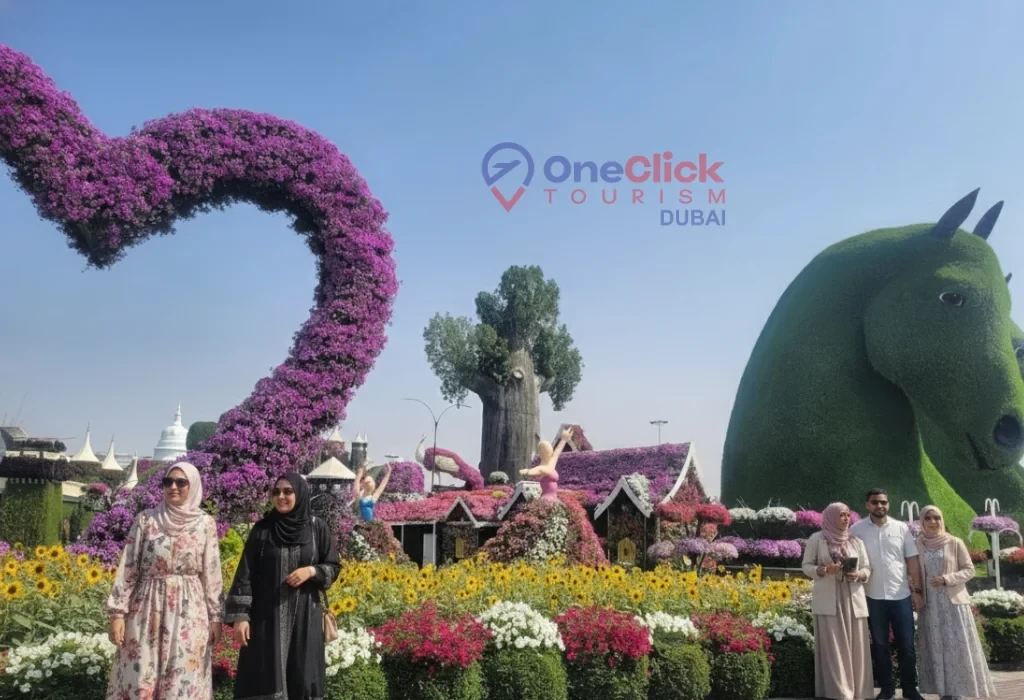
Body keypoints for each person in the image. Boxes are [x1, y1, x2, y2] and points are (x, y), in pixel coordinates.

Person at [105, 462, 224, 699]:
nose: (173, 487)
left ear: (193, 485)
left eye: (181, 482)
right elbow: (128, 567)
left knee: (182, 682)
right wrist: (118, 613)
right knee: (140, 677)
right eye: (168, 482)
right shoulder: (146, 520)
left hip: (189, 614)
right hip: (145, 610)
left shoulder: (204, 524)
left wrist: (216, 618)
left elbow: (212, 574)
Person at [225, 472, 342, 700]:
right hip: (266, 619)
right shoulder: (262, 530)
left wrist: (311, 571)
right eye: (276, 492)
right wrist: (241, 617)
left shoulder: (317, 529)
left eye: (288, 491)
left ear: (300, 494)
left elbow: (334, 565)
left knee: (303, 676)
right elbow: (245, 574)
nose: (281, 496)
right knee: (263, 679)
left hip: (305, 619)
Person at [849, 488, 926, 700]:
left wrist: (917, 591)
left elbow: (912, 561)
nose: (879, 506)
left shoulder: (901, 528)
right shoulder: (857, 529)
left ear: (888, 504)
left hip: (900, 595)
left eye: (883, 502)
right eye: (874, 502)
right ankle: (887, 689)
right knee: (880, 645)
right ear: (867, 505)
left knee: (907, 645)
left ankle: (910, 689)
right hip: (872, 597)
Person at [915, 505, 996, 698]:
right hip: (930, 605)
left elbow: (970, 570)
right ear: (922, 521)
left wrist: (946, 579)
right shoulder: (916, 544)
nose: (933, 522)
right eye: (928, 518)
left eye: (937, 517)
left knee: (956, 646)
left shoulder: (954, 542)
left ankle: (959, 690)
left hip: (953, 604)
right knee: (936, 646)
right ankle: (943, 691)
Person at [801, 502, 874, 699]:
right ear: (831, 517)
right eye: (841, 515)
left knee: (857, 646)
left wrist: (859, 574)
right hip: (828, 599)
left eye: (848, 515)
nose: (846, 518)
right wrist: (823, 570)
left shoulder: (856, 541)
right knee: (834, 647)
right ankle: (839, 692)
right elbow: (806, 566)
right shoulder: (817, 539)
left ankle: (860, 691)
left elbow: (867, 568)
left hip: (853, 598)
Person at [519, 427, 573, 500]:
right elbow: (534, 471)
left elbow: (557, 452)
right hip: (546, 499)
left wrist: (564, 439)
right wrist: (526, 471)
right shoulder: (542, 468)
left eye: (550, 449)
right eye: (547, 450)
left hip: (554, 498)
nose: (550, 451)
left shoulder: (551, 464)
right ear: (541, 452)